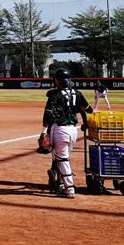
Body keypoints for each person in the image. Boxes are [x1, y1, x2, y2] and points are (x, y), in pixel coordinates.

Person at [41, 68, 92, 199]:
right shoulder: (78, 93)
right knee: (61, 158)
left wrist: (43, 132)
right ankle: (61, 184)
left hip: (60, 130)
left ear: (57, 81)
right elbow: (89, 110)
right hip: (73, 131)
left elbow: (47, 115)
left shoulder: (54, 95)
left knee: (62, 160)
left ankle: (70, 189)